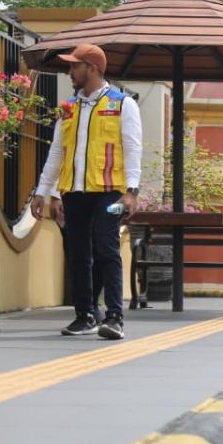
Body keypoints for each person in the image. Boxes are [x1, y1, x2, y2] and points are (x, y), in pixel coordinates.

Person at [33, 43, 142, 340]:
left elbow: (133, 148)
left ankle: (115, 317)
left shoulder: (122, 104)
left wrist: (132, 192)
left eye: (74, 66)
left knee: (106, 246)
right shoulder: (68, 109)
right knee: (78, 253)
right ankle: (85, 316)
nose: (70, 72)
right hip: (74, 192)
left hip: (112, 193)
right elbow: (57, 153)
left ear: (92, 68)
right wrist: (46, 192)